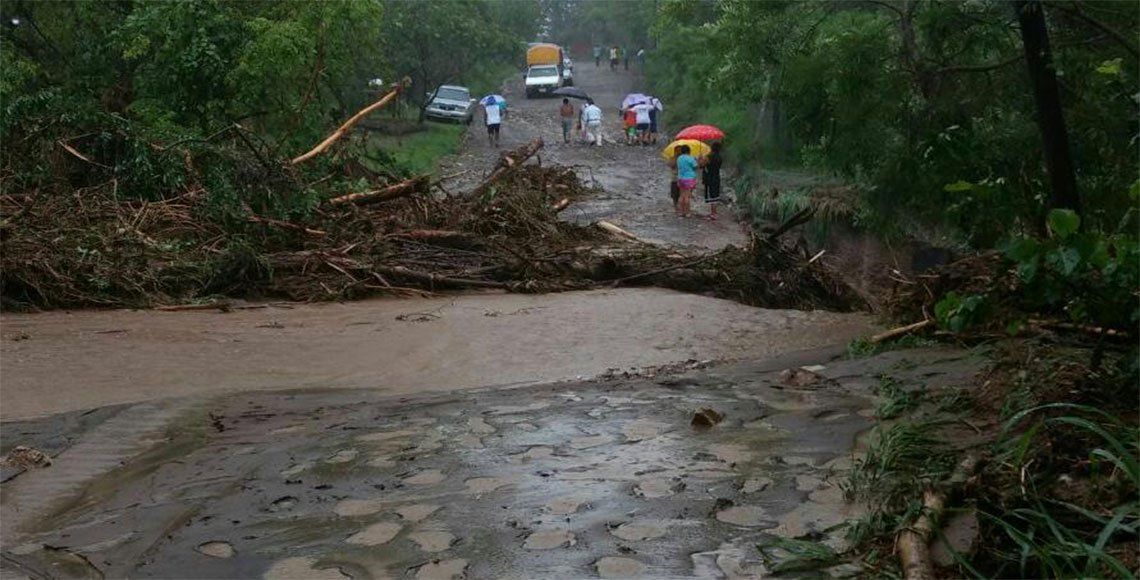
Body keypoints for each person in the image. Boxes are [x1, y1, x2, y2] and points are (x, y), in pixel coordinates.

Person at [701, 141, 723, 220]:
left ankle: (713, 213)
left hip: (709, 177)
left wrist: (701, 158)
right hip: (716, 176)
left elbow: (701, 165)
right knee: (715, 194)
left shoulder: (708, 156)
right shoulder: (719, 157)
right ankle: (714, 212)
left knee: (711, 194)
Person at [675, 145, 698, 218]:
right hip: (689, 178)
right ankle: (688, 212)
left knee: (681, 196)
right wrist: (697, 160)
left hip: (680, 178)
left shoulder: (679, 158)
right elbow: (695, 167)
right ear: (689, 151)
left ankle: (681, 212)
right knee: (687, 196)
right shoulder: (690, 158)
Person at [669, 144, 682, 212]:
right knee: (674, 194)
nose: (679, 151)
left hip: (682, 178)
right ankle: (675, 207)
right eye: (677, 150)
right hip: (675, 178)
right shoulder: (672, 158)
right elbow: (671, 165)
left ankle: (680, 207)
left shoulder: (683, 158)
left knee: (681, 194)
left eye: (680, 150)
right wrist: (675, 158)